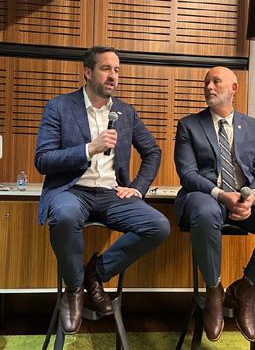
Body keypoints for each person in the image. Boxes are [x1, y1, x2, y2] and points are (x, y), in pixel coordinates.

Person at [35, 45, 170, 334]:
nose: (113, 76)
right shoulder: (59, 107)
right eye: (106, 68)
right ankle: (74, 290)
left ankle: (96, 273)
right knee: (65, 215)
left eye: (116, 70)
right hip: (73, 191)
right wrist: (89, 148)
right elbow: (43, 160)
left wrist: (137, 188)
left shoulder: (126, 112)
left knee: (158, 225)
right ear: (87, 72)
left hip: (112, 194)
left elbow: (153, 152)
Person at [174, 66, 255, 342]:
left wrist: (252, 196)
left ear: (234, 88)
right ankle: (214, 291)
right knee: (205, 211)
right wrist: (222, 195)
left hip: (244, 198)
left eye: (216, 82)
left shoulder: (254, 127)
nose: (209, 87)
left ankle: (247, 289)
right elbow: (188, 174)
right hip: (207, 196)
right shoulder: (188, 125)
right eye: (206, 82)